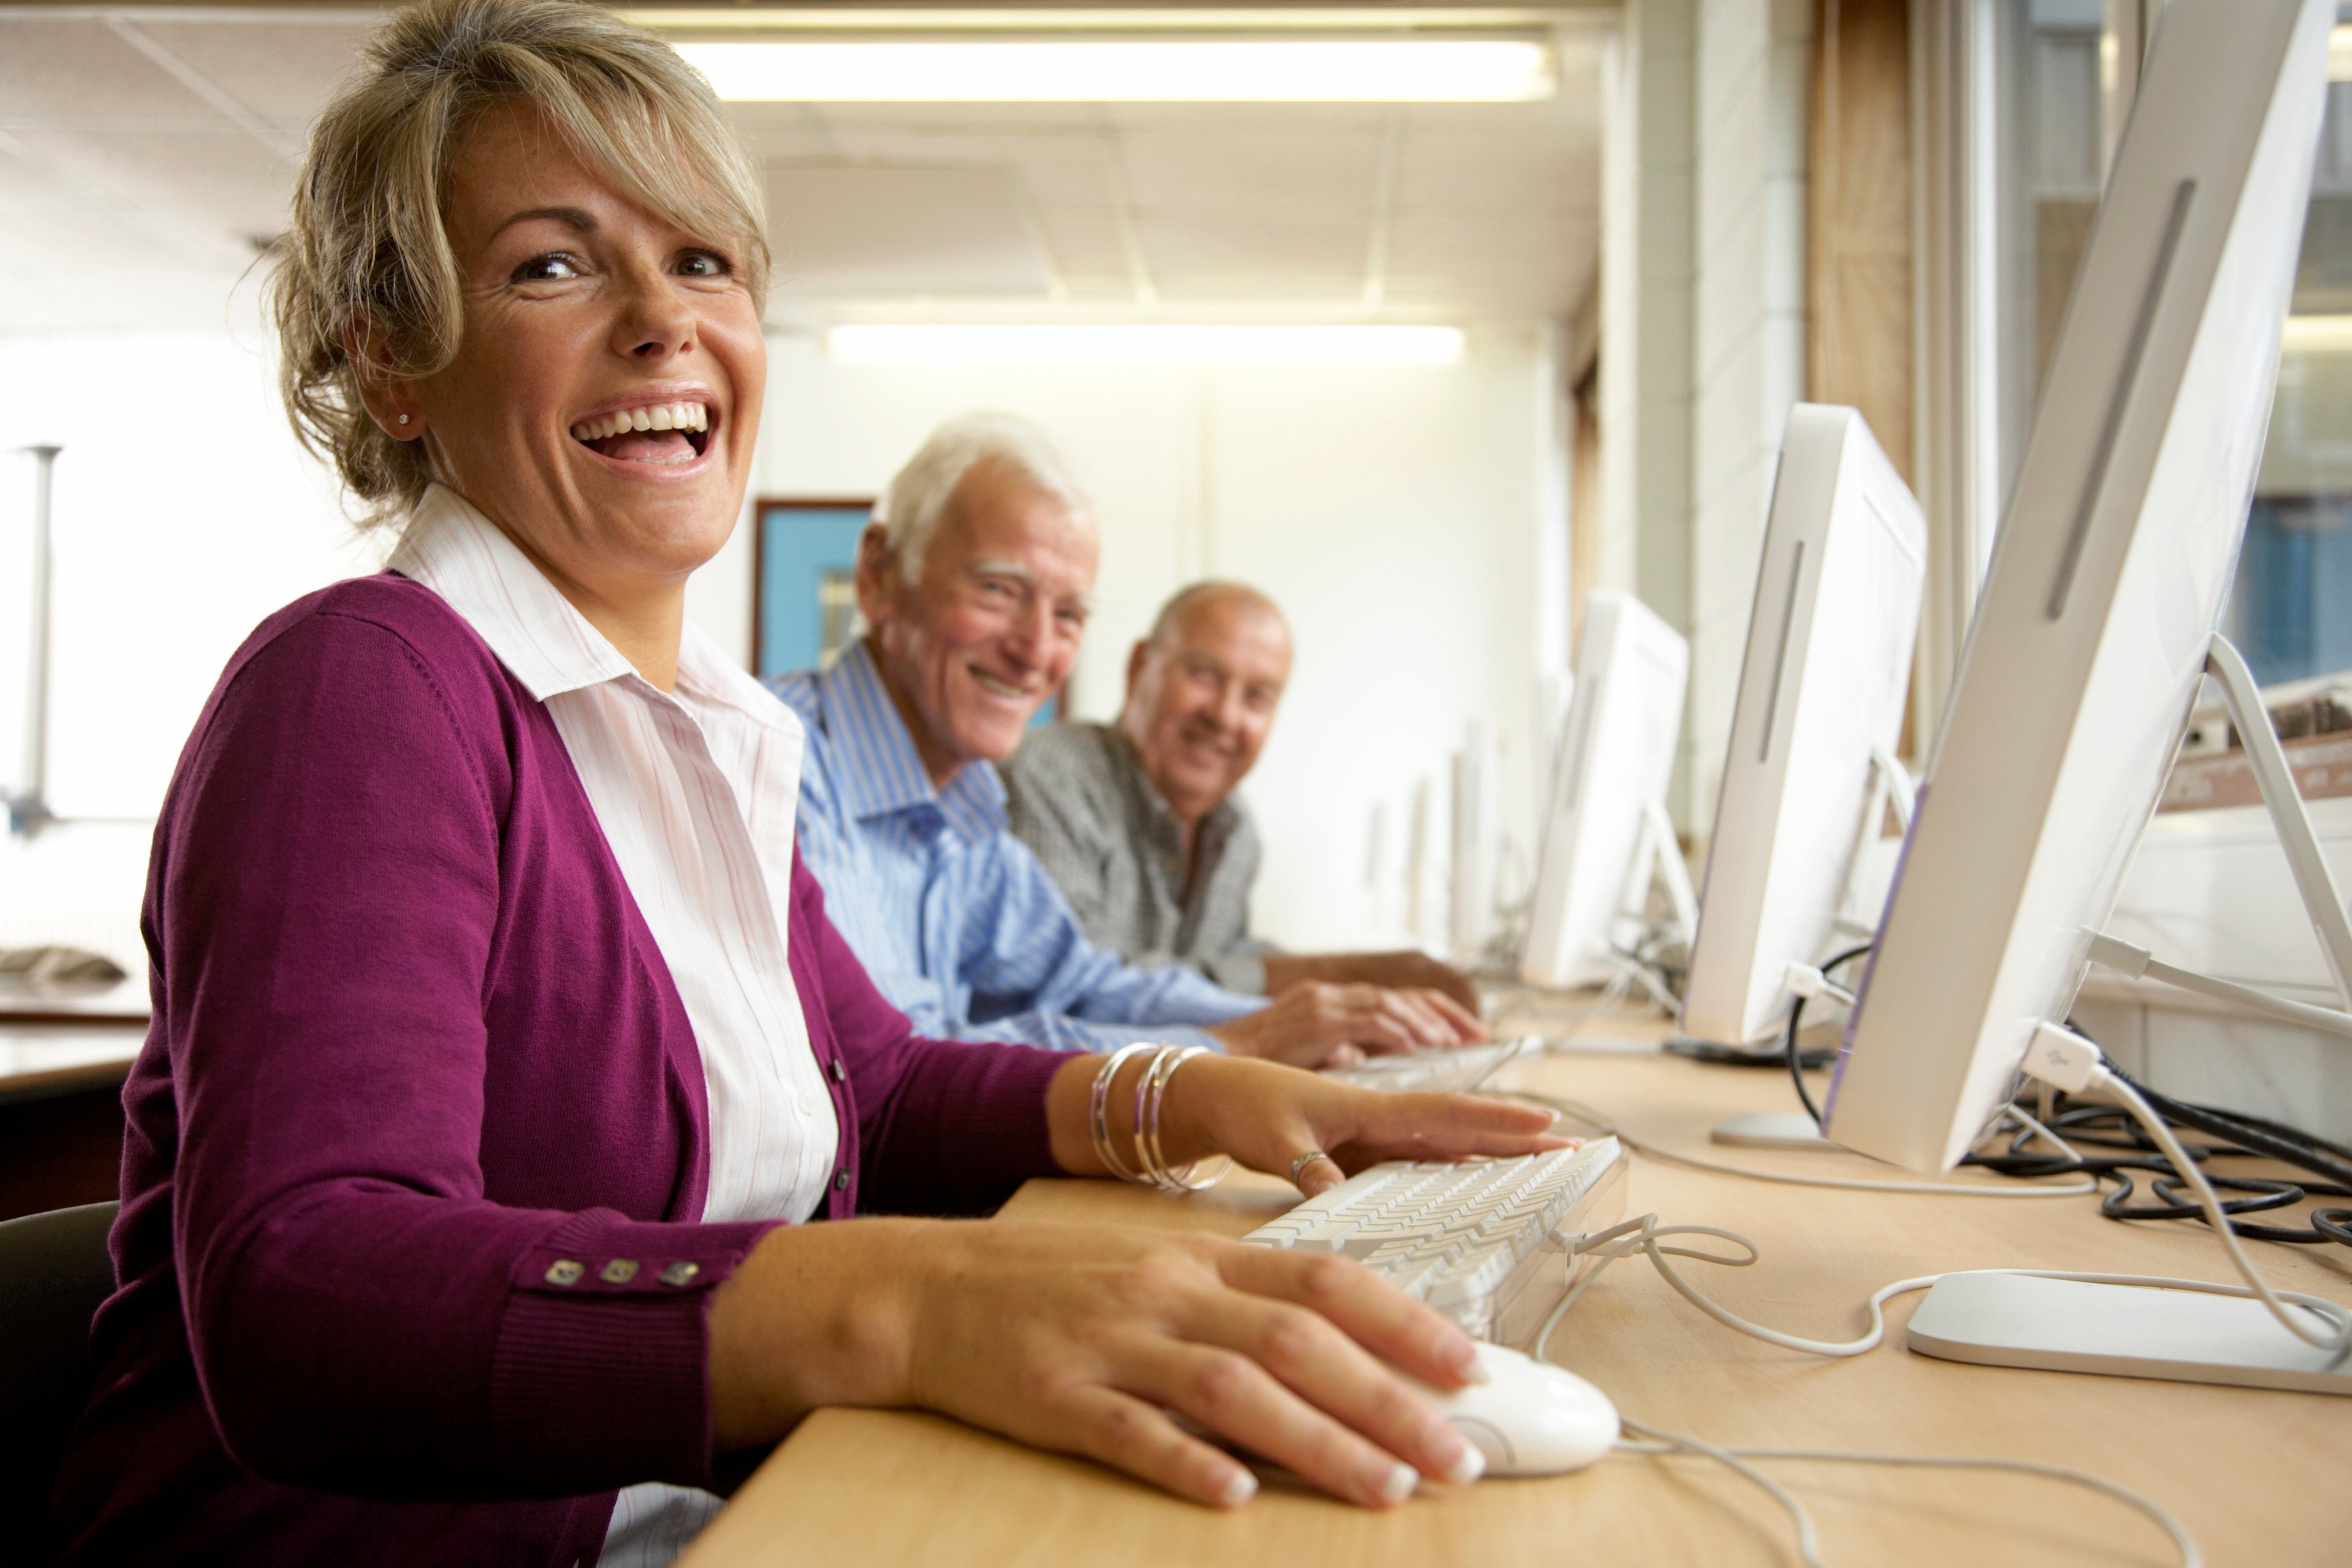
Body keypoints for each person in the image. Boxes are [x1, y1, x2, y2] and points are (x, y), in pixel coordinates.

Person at [36, 5, 1571, 1562]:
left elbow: (878, 1085)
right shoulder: (369, 686)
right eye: (552, 265)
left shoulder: (695, 727)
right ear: (392, 364)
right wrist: (902, 1304)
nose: (660, 319)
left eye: (701, 259)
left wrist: (1197, 1092)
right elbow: (307, 1282)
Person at [769, 416, 1487, 1068]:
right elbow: (895, 1072)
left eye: (1069, 613)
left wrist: (1302, 1021)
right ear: (877, 577)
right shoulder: (777, 772)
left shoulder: (964, 802)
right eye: (997, 589)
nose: (1036, 649)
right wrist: (1226, 1045)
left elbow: (1078, 982)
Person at [1005, 581, 1481, 1009]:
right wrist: (1329, 978)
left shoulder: (1235, 828)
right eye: (1204, 675)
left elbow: (1220, 964)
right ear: (1138, 668)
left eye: (1258, 697)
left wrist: (1355, 1001)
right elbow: (1067, 991)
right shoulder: (1052, 776)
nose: (1226, 716)